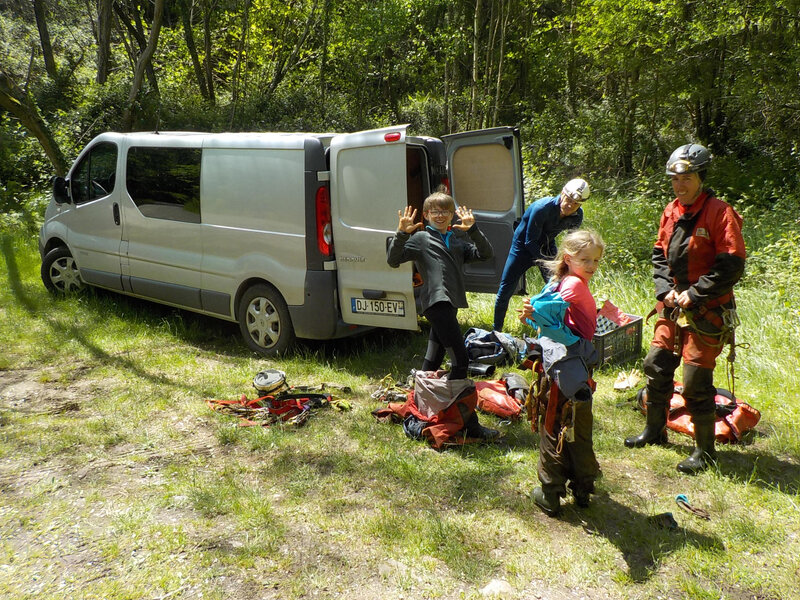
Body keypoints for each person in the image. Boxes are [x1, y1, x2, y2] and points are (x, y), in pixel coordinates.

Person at [624, 143, 746, 474]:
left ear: (701, 178)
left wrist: (696, 293)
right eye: (675, 179)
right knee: (657, 364)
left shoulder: (721, 213)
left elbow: (732, 264)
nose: (680, 185)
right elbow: (659, 254)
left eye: (687, 178)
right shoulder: (671, 211)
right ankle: (654, 430)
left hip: (706, 309)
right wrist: (665, 291)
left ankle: (705, 451)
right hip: (672, 306)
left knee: (694, 380)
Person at [387, 192, 497, 439]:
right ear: (425, 216)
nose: (440, 215)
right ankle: (469, 425)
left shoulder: (457, 241)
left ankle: (417, 411)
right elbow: (393, 260)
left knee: (432, 362)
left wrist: (474, 230)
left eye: (445, 211)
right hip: (436, 304)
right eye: (434, 211)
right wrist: (402, 233)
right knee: (461, 363)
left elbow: (486, 254)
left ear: (451, 215)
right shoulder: (421, 239)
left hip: (451, 304)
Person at [518, 229, 604, 516]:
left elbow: (546, 313)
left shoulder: (570, 283)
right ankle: (582, 488)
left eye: (595, 261)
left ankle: (550, 493)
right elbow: (547, 315)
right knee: (577, 423)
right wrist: (535, 313)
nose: (591, 266)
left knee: (556, 423)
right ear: (568, 258)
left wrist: (534, 311)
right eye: (585, 260)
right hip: (574, 364)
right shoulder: (571, 284)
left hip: (566, 366)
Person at [493, 178, 590, 332]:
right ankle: (496, 331)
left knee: (559, 289)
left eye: (576, 204)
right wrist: (548, 262)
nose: (570, 206)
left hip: (547, 245)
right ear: (562, 193)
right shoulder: (542, 208)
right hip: (522, 248)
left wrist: (566, 264)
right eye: (568, 199)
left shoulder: (577, 215)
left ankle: (557, 330)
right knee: (505, 290)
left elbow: (571, 244)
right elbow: (529, 241)